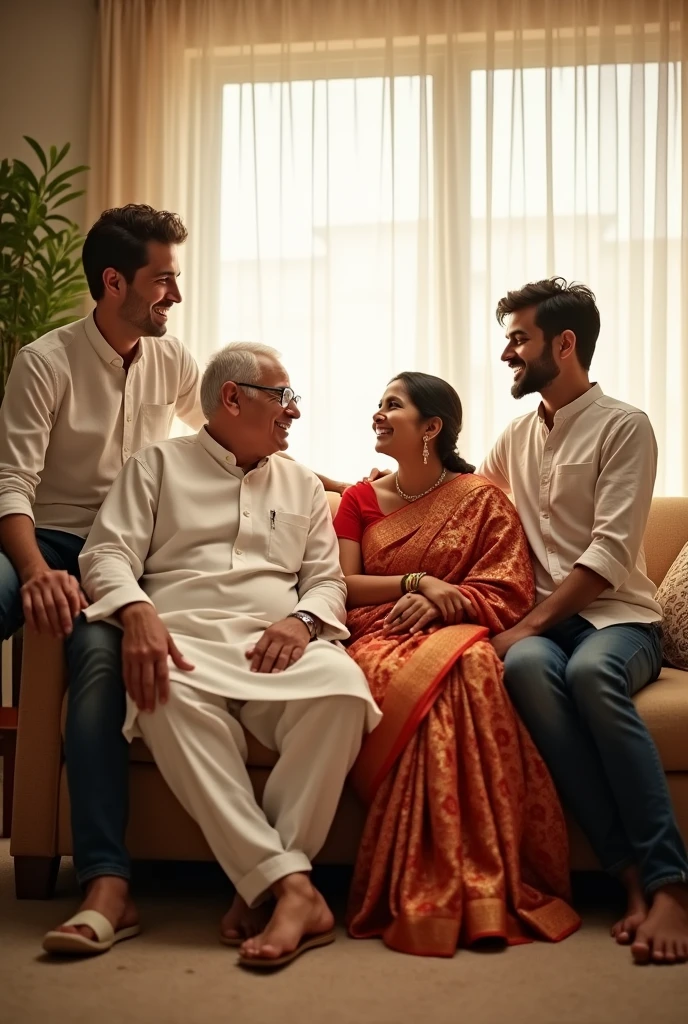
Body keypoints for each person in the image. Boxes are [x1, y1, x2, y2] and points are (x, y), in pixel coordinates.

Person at [75, 341, 381, 969]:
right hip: (182, 639)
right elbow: (106, 554)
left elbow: (326, 582)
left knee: (345, 693)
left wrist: (301, 622)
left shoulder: (300, 483)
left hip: (279, 642)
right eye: (284, 396)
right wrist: (138, 615)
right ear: (232, 398)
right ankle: (291, 889)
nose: (294, 411)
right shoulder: (155, 465)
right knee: (158, 688)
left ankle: (263, 883)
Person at [0, 204, 207, 951]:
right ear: (115, 281)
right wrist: (33, 571)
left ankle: (105, 885)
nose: (175, 297)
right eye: (164, 281)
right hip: (45, 536)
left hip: (123, 553)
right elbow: (10, 484)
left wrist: (337, 485)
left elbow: (224, 438)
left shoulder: (174, 360)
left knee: (96, 662)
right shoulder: (46, 360)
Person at [332, 370, 580, 957]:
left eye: (392, 404)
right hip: (379, 631)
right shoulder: (358, 499)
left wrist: (453, 599)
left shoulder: (482, 499)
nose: (378, 412)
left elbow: (506, 588)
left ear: (432, 426)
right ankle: (430, 885)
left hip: (457, 632)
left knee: (472, 671)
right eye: (378, 402)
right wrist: (417, 583)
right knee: (433, 676)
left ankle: (485, 884)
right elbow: (342, 585)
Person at [480, 277, 688, 966]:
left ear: (564, 344)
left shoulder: (626, 426)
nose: (507, 352)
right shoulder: (515, 435)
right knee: (526, 672)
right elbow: (465, 496)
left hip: (618, 620)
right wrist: (354, 489)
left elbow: (609, 554)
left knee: (594, 676)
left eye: (520, 338)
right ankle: (626, 873)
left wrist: (532, 622)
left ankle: (669, 885)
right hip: (543, 631)